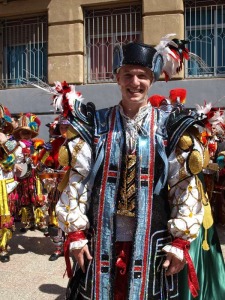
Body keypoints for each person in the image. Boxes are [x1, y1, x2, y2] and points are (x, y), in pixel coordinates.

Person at [54, 35, 211, 300]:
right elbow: (77, 180)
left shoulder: (169, 125)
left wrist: (181, 240)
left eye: (142, 75)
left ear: (152, 79)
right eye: (127, 75)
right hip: (101, 240)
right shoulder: (97, 124)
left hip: (153, 244)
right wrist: (76, 232)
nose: (134, 83)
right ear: (117, 78)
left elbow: (185, 187)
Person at [38, 115, 70, 261]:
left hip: (75, 186)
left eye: (67, 127)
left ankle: (73, 245)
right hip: (57, 185)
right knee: (56, 215)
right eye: (62, 127)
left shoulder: (81, 142)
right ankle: (58, 248)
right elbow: (44, 164)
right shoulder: (55, 142)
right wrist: (44, 154)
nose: (64, 130)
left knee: (73, 215)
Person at [0, 104, 23, 262]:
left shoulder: (8, 141)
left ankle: (3, 247)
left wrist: (13, 164)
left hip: (3, 180)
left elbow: (12, 159)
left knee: (5, 214)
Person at [12, 113, 42, 232]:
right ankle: (27, 222)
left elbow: (41, 160)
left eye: (28, 132)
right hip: (22, 177)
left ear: (31, 134)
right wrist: (15, 165)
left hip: (34, 176)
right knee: (24, 198)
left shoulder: (37, 145)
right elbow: (9, 159)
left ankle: (40, 222)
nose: (26, 135)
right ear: (19, 134)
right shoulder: (16, 146)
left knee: (37, 197)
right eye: (23, 132)